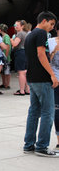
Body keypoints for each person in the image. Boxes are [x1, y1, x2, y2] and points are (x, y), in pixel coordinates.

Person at [23, 11, 58, 157]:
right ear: (44, 21)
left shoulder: (30, 35)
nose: (51, 28)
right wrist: (52, 74)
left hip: (32, 77)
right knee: (48, 112)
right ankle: (42, 146)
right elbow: (40, 54)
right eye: (51, 24)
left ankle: (29, 144)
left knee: (34, 111)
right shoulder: (42, 34)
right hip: (43, 79)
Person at [11, 20, 30, 95]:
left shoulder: (20, 34)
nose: (15, 26)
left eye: (17, 25)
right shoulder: (26, 33)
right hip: (26, 53)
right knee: (25, 72)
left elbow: (15, 44)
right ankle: (27, 89)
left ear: (22, 26)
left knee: (21, 72)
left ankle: (22, 90)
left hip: (20, 53)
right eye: (15, 25)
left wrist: (11, 40)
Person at [50, 24, 59, 151]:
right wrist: (54, 51)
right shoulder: (51, 42)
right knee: (57, 111)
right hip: (56, 80)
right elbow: (46, 59)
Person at [0, 24, 12, 89]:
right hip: (2, 56)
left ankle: (7, 84)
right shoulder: (3, 36)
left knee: (7, 71)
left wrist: (6, 56)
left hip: (5, 56)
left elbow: (8, 46)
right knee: (3, 71)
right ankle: (4, 83)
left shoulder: (6, 36)